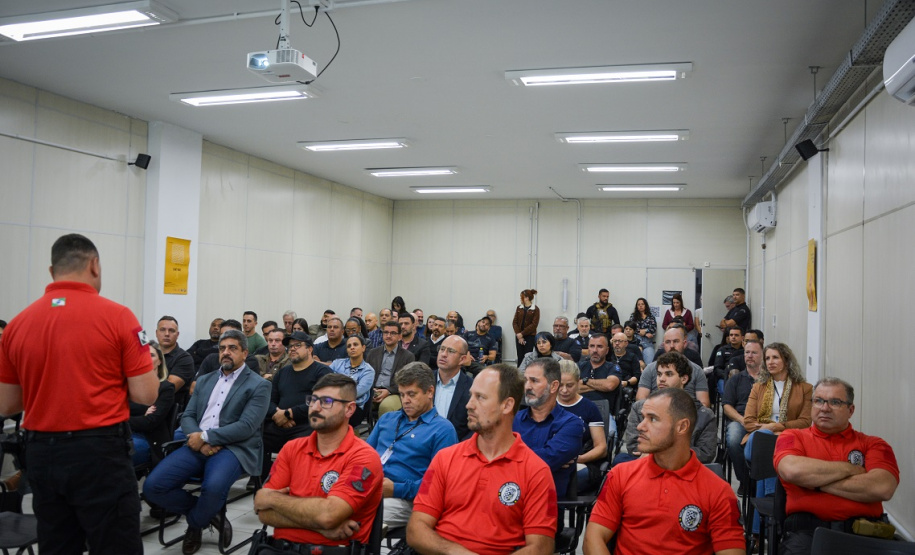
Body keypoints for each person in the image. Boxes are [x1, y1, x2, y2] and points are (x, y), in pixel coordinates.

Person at [0, 233, 159, 555]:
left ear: (52, 271)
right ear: (95, 265)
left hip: (42, 453)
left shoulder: (16, 325)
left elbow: (8, 404)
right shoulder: (118, 317)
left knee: (57, 545)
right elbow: (145, 394)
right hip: (99, 452)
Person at [144, 329, 271, 554]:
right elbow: (188, 416)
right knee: (153, 487)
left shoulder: (258, 384)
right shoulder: (204, 380)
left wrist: (206, 437)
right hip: (197, 445)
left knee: (212, 489)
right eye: (222, 348)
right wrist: (198, 438)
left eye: (232, 348)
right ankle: (209, 513)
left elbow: (246, 426)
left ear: (245, 353)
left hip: (234, 448)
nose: (226, 352)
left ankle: (195, 524)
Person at [408, 365, 557, 555]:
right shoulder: (444, 459)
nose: (469, 405)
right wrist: (457, 552)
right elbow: (416, 529)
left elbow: (541, 546)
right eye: (471, 395)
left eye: (480, 397)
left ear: (507, 405)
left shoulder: (537, 471)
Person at [583, 388, 745, 555]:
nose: (640, 426)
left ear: (682, 427)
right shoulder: (619, 475)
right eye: (643, 417)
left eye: (652, 419)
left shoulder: (719, 492)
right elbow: (593, 538)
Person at [253, 374, 384, 551]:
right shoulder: (292, 448)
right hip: (281, 549)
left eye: (326, 401)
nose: (315, 407)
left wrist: (272, 498)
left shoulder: (364, 457)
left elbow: (329, 515)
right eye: (313, 400)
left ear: (349, 409)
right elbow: (264, 512)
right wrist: (320, 527)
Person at [774, 378, 900, 555]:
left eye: (835, 402)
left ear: (851, 410)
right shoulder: (792, 436)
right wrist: (850, 469)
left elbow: (882, 487)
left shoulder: (874, 444)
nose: (825, 408)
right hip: (807, 533)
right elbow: (792, 471)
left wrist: (813, 483)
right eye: (818, 401)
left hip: (864, 534)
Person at [366, 362, 458, 527]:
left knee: (361, 516)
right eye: (402, 395)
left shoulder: (442, 430)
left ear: (430, 392)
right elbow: (363, 458)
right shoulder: (387, 419)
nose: (405, 401)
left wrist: (396, 489)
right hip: (370, 487)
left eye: (411, 394)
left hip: (405, 499)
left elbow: (437, 484)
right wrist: (352, 483)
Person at [742, 342, 813, 540]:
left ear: (786, 361)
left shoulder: (805, 389)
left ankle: (759, 532)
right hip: (757, 440)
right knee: (765, 441)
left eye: (775, 357)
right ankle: (773, 514)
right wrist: (769, 430)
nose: (770, 362)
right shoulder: (758, 388)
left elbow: (805, 422)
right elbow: (748, 422)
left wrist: (776, 427)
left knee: (766, 463)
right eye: (767, 358)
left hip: (788, 441)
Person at [615, 352, 717, 466]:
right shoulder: (640, 408)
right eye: (659, 374)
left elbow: (706, 453)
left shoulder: (704, 415)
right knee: (620, 460)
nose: (661, 379)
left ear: (684, 379)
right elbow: (633, 446)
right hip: (646, 465)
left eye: (669, 374)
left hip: (683, 468)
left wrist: (661, 454)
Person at [262, 331, 332, 478]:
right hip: (279, 423)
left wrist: (289, 413)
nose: (292, 349)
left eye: (297, 345)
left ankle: (298, 481)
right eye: (290, 346)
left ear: (310, 349)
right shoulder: (282, 373)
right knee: (255, 437)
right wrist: (277, 414)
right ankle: (263, 480)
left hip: (307, 424)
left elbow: (321, 402)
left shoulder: (322, 372)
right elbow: (270, 400)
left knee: (304, 441)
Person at [514, 358, 583, 497]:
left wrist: (508, 457)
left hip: (547, 501)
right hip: (509, 497)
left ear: (553, 386)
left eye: (534, 381)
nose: (527, 386)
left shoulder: (571, 424)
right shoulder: (512, 419)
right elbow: (488, 453)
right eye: (526, 380)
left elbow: (546, 460)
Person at [557, 360, 607, 494]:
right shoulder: (548, 406)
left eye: (570, 385)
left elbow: (601, 448)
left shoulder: (589, 408)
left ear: (579, 382)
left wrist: (578, 459)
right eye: (560, 385)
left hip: (581, 462)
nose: (564, 390)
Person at [721, 339, 763, 490]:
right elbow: (726, 406)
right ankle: (746, 481)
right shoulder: (736, 379)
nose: (749, 356)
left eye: (754, 353)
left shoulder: (769, 380)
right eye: (747, 352)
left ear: (762, 355)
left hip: (764, 420)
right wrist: (742, 420)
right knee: (733, 439)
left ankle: (763, 483)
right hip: (740, 420)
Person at [636, 326, 710, 408]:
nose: (672, 346)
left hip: (687, 411)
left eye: (676, 341)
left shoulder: (697, 370)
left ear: (684, 343)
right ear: (663, 345)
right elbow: (641, 399)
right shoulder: (650, 368)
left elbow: (704, 404)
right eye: (667, 342)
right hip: (655, 409)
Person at [130, 340, 177, 466]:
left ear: (160, 361)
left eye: (151, 355)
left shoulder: (166, 388)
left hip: (148, 440)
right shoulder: (129, 386)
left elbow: (150, 422)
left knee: (116, 452)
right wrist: (143, 410)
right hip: (124, 434)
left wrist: (122, 421)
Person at [367, 321, 416, 416]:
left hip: (394, 392)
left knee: (386, 406)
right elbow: (366, 374)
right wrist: (371, 390)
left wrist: (388, 391)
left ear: (400, 336)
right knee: (353, 402)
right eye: (386, 332)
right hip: (373, 391)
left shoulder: (408, 356)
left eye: (393, 333)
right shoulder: (373, 353)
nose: (388, 336)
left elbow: (408, 382)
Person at [433, 335, 474, 440]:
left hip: (457, 444)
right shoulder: (423, 381)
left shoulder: (472, 388)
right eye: (442, 349)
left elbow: (474, 427)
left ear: (462, 359)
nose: (443, 354)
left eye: (451, 351)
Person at [329, 334, 375, 425]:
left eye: (355, 344)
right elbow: (326, 382)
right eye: (349, 346)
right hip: (333, 402)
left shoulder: (368, 370)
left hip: (355, 407)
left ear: (363, 348)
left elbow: (355, 393)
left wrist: (336, 393)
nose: (352, 347)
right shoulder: (337, 363)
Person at [156, 315, 196, 408]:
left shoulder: (185, 358)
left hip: (168, 409)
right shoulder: (147, 354)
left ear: (177, 335)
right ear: (156, 333)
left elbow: (167, 390)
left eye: (171, 330)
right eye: (162, 330)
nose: (167, 334)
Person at [512, 288, 540, 359]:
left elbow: (534, 324)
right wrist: (519, 334)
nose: (520, 299)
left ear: (527, 298)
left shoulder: (535, 309)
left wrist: (522, 334)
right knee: (520, 356)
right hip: (518, 336)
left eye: (522, 297)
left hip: (530, 336)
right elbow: (514, 322)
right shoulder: (519, 308)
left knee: (528, 356)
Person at [629, 297, 657, 364]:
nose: (640, 306)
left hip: (648, 343)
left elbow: (653, 328)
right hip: (636, 342)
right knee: (636, 363)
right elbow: (631, 328)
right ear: (637, 306)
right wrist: (643, 332)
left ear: (645, 305)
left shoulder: (651, 316)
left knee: (650, 363)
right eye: (638, 304)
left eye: (642, 304)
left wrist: (645, 331)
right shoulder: (633, 316)